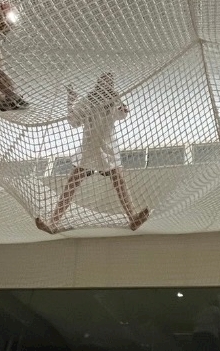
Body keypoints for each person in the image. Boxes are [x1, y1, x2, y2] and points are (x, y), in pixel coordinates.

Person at [36, 73, 149, 233]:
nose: (106, 85)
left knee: (120, 182)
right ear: (97, 84)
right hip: (89, 151)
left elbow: (122, 114)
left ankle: (133, 218)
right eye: (104, 81)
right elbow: (74, 121)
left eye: (109, 82)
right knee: (71, 184)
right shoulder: (87, 101)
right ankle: (53, 222)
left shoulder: (113, 100)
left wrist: (120, 102)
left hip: (108, 151)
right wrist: (71, 101)